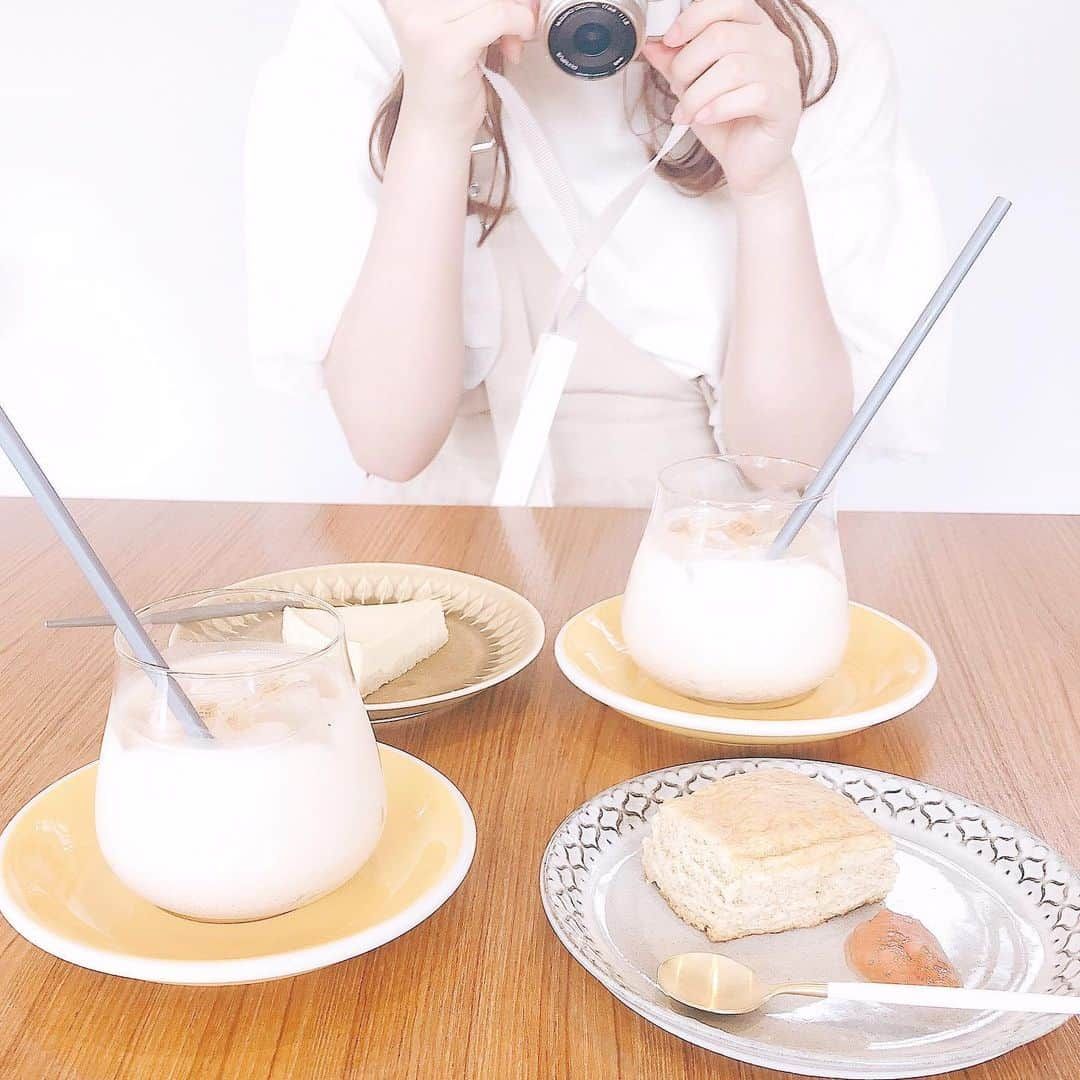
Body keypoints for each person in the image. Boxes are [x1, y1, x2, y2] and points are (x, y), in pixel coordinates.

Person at [246, 0, 946, 506]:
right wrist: (433, 121)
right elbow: (387, 443)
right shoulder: (372, 24)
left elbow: (790, 466)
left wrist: (767, 187)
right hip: (453, 578)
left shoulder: (808, 42)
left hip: (708, 569)